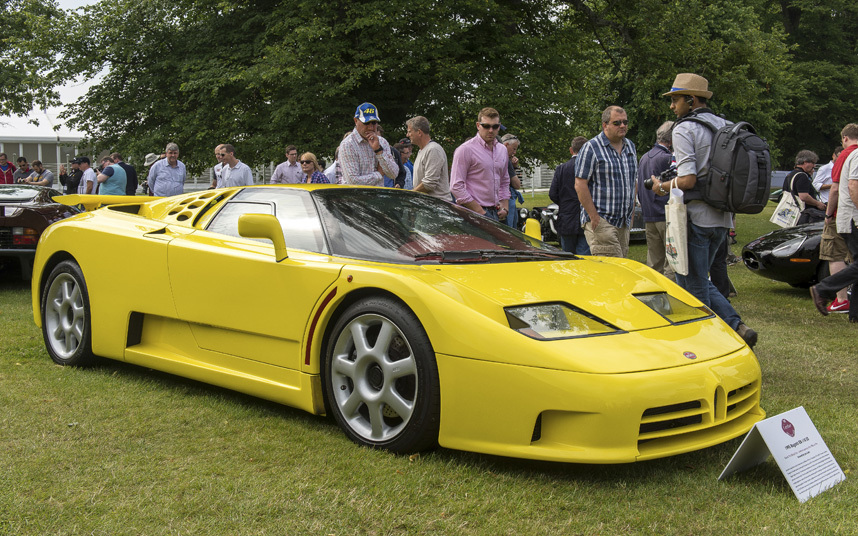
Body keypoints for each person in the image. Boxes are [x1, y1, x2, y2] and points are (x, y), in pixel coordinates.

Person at [648, 73, 757, 347]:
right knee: (697, 278)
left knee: (693, 283)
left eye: (675, 100)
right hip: (722, 216)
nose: (672, 107)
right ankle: (737, 327)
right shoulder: (726, 125)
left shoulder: (684, 129)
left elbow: (688, 180)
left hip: (696, 216)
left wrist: (661, 186)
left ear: (690, 100)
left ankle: (709, 343)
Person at [574, 105, 638, 257]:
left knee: (621, 268)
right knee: (612, 270)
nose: (622, 126)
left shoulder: (630, 146)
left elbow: (632, 181)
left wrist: (632, 212)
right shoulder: (591, 147)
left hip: (623, 221)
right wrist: (594, 216)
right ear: (605, 125)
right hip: (602, 220)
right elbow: (580, 184)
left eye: (625, 122)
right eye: (617, 123)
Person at [812, 123, 858, 317]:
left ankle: (855, 313)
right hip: (852, 217)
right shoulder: (854, 154)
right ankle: (822, 289)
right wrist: (829, 214)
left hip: (846, 216)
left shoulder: (847, 155)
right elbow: (851, 186)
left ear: (845, 138)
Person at [450, 107, 511, 221]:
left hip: (495, 212)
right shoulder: (465, 150)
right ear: (478, 125)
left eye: (495, 126)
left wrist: (505, 207)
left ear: (499, 126)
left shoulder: (502, 150)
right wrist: (480, 212)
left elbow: (504, 180)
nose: (491, 130)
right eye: (486, 126)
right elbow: (456, 186)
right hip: (471, 213)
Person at [637, 121, 675, 278]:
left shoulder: (644, 157)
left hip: (649, 216)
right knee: (672, 262)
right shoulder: (667, 158)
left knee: (654, 262)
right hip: (666, 215)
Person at [338, 103, 399, 186]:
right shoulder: (348, 145)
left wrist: (378, 151)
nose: (370, 127)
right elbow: (353, 181)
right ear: (356, 121)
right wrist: (379, 174)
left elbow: (393, 174)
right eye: (366, 123)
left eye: (374, 123)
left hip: (378, 197)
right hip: (355, 198)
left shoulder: (382, 142)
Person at [550, 136, 591, 254]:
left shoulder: (561, 169)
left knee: (568, 256)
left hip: (566, 217)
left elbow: (553, 193)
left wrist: (563, 203)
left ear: (571, 150)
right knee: (584, 256)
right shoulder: (590, 168)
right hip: (586, 215)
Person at [406, 115, 450, 200]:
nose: (407, 135)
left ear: (419, 132)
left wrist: (410, 195)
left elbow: (429, 184)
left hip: (437, 206)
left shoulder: (433, 149)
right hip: (428, 207)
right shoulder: (422, 151)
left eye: (409, 131)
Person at [783, 150, 826, 224]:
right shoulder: (802, 176)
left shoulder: (790, 174)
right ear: (805, 162)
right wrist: (818, 204)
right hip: (804, 214)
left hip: (791, 212)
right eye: (813, 163)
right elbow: (804, 196)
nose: (814, 166)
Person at [501, 134, 524, 228]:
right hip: (504, 203)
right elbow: (517, 184)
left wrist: (514, 167)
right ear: (506, 145)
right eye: (514, 149)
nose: (514, 152)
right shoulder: (505, 159)